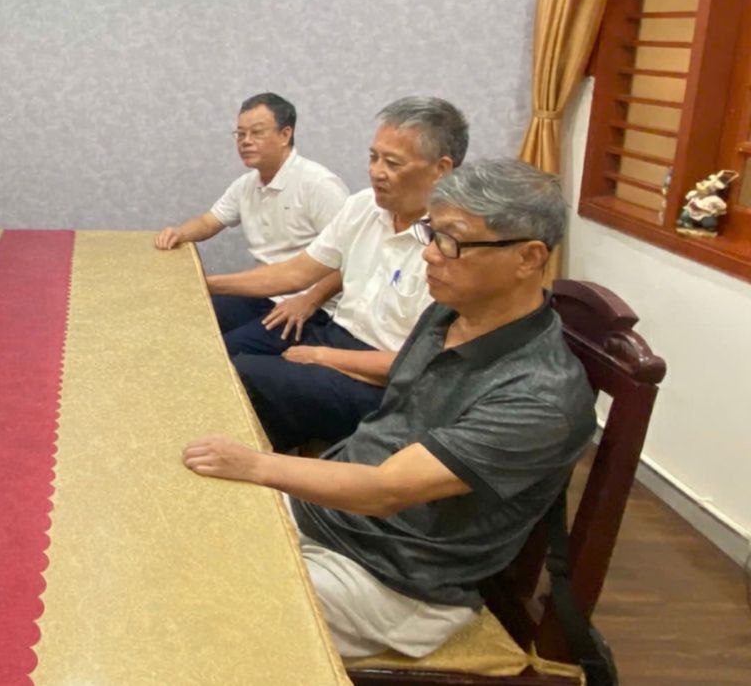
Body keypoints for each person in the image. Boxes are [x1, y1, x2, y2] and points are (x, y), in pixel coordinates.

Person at [185, 159, 594, 660]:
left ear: (529, 258)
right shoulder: (449, 313)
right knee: (181, 530)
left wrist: (254, 464)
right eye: (432, 233)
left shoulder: (539, 396)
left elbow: (385, 490)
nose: (430, 254)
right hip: (332, 518)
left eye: (452, 241)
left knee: (197, 611)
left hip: (392, 579)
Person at [206, 97, 468, 451]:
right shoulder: (363, 206)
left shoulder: (454, 248)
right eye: (373, 158)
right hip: (334, 333)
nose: (376, 172)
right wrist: (205, 286)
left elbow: (423, 365)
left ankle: (262, 464)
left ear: (441, 169)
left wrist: (324, 358)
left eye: (392, 163)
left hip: (386, 385)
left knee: (242, 374)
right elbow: (297, 273)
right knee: (219, 355)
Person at [155, 92, 348, 336]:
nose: (245, 141)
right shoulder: (246, 185)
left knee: (221, 349)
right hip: (263, 294)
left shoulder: (319, 185)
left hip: (310, 307)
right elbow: (208, 222)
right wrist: (179, 233)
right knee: (181, 318)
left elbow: (349, 259)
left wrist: (309, 301)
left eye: (256, 133)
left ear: (285, 135)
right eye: (240, 134)